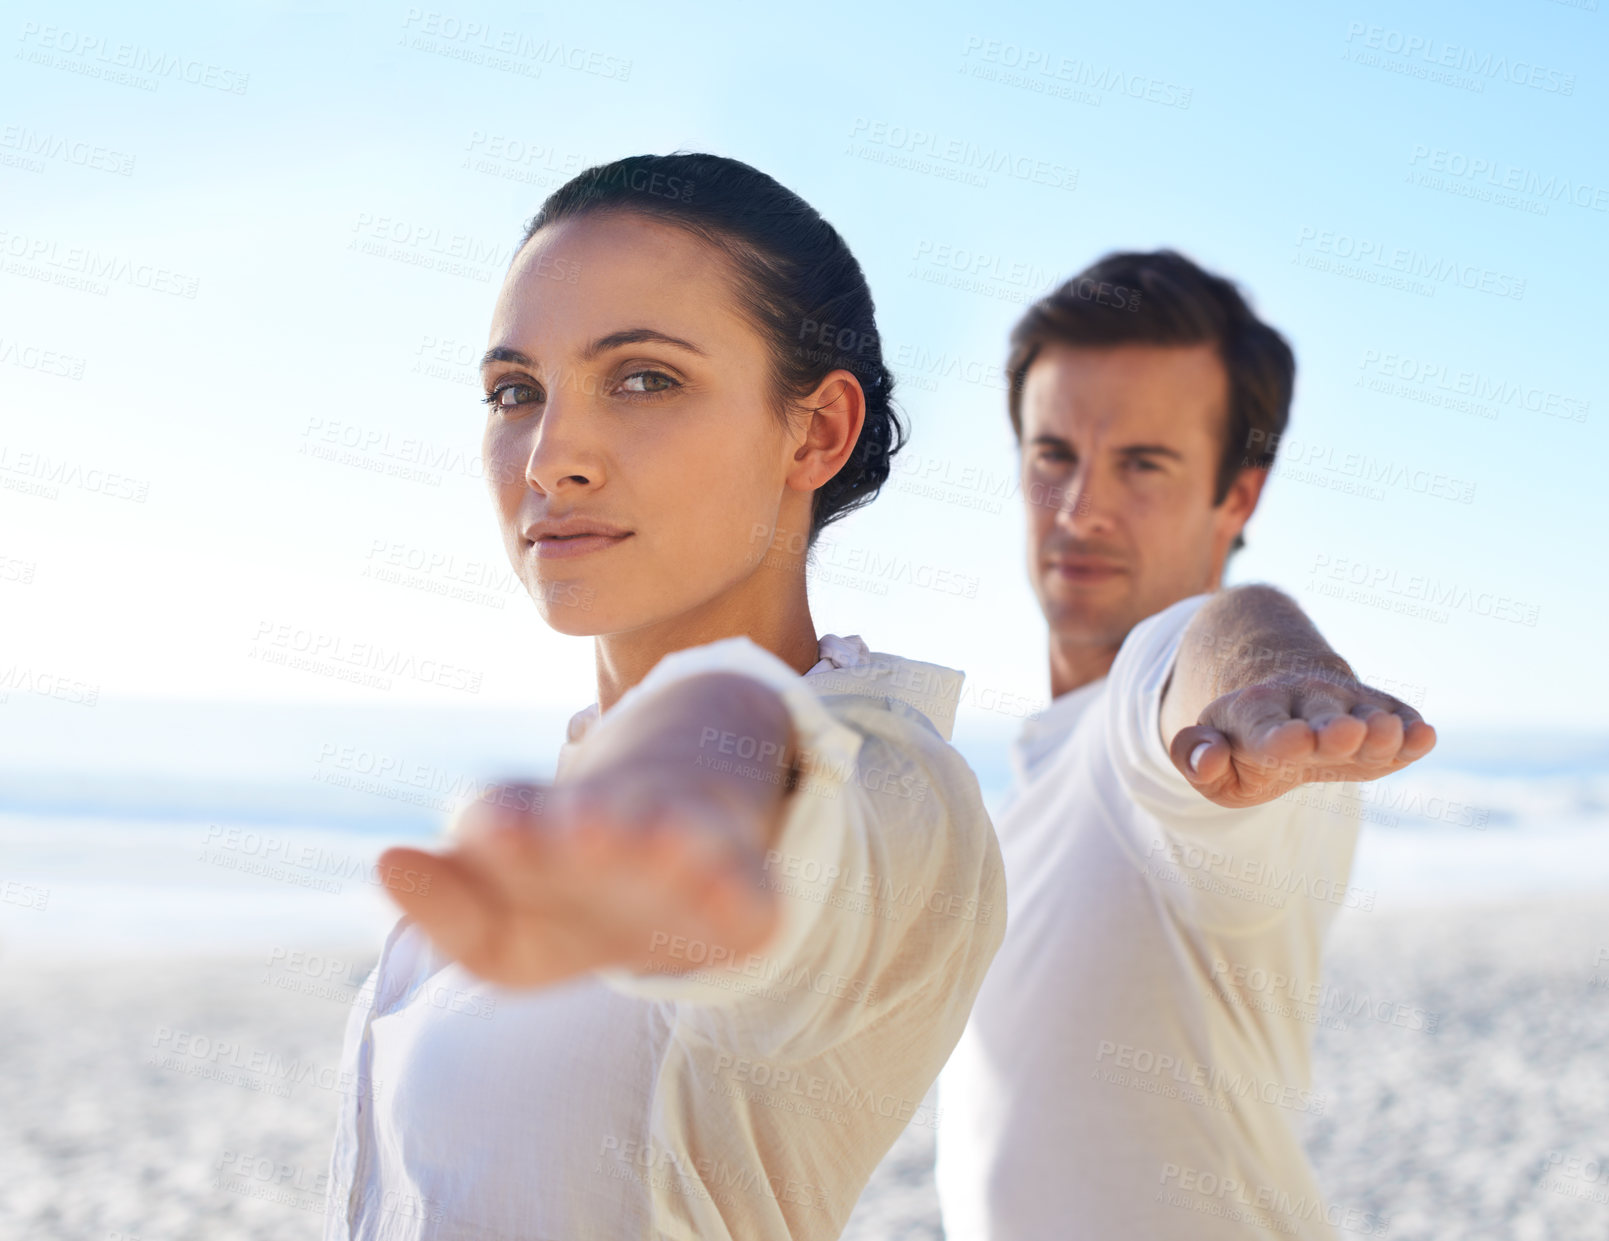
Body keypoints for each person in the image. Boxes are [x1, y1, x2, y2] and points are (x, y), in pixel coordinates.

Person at [319, 152, 1005, 1241]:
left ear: (816, 430)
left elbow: (759, 759)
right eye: (515, 392)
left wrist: (697, 771)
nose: (550, 457)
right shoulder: (577, 820)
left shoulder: (891, 781)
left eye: (644, 377)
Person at [935, 250, 1437, 1240]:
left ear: (1236, 498)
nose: (1079, 508)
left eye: (1143, 463)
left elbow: (1219, 634)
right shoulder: (1041, 766)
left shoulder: (1209, 747)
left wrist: (1261, 669)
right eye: (1052, 454)